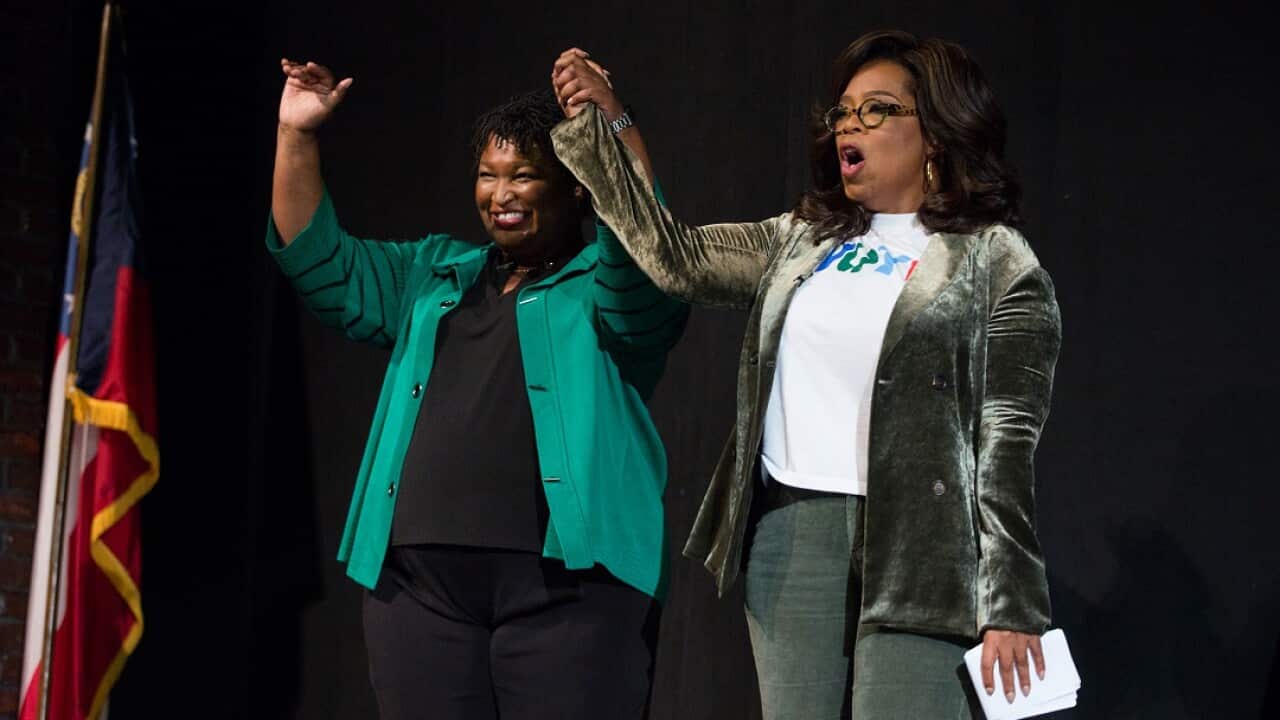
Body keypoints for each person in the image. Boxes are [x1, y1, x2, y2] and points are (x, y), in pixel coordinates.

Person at [550, 30, 1061, 719]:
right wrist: (610, 122)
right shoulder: (803, 237)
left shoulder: (998, 262)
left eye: (877, 110)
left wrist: (1013, 601)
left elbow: (1004, 444)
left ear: (936, 133)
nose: (850, 123)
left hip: (924, 546)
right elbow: (674, 257)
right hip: (794, 533)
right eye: (844, 110)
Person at [267, 58, 687, 719]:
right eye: (489, 176)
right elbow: (321, 263)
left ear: (575, 187)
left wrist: (613, 124)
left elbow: (646, 246)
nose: (502, 193)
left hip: (568, 592)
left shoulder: (606, 286)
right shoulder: (435, 272)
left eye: (523, 175)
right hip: (419, 589)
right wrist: (297, 134)